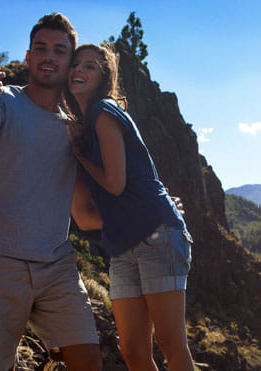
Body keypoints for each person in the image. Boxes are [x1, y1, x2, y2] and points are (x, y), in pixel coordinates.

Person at [0, 13, 102, 370]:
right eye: (41, 48)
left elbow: (86, 205)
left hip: (55, 265)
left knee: (89, 361)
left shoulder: (75, 127)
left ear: (70, 62)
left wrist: (156, 211)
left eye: (59, 50)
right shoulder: (3, 101)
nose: (49, 56)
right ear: (27, 56)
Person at [66, 43, 195, 371]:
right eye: (76, 64)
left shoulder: (103, 111)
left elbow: (115, 184)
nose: (80, 70)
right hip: (123, 246)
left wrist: (79, 154)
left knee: (171, 345)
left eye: (91, 66)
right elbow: (83, 216)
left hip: (157, 236)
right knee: (134, 352)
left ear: (103, 77)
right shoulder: (78, 130)